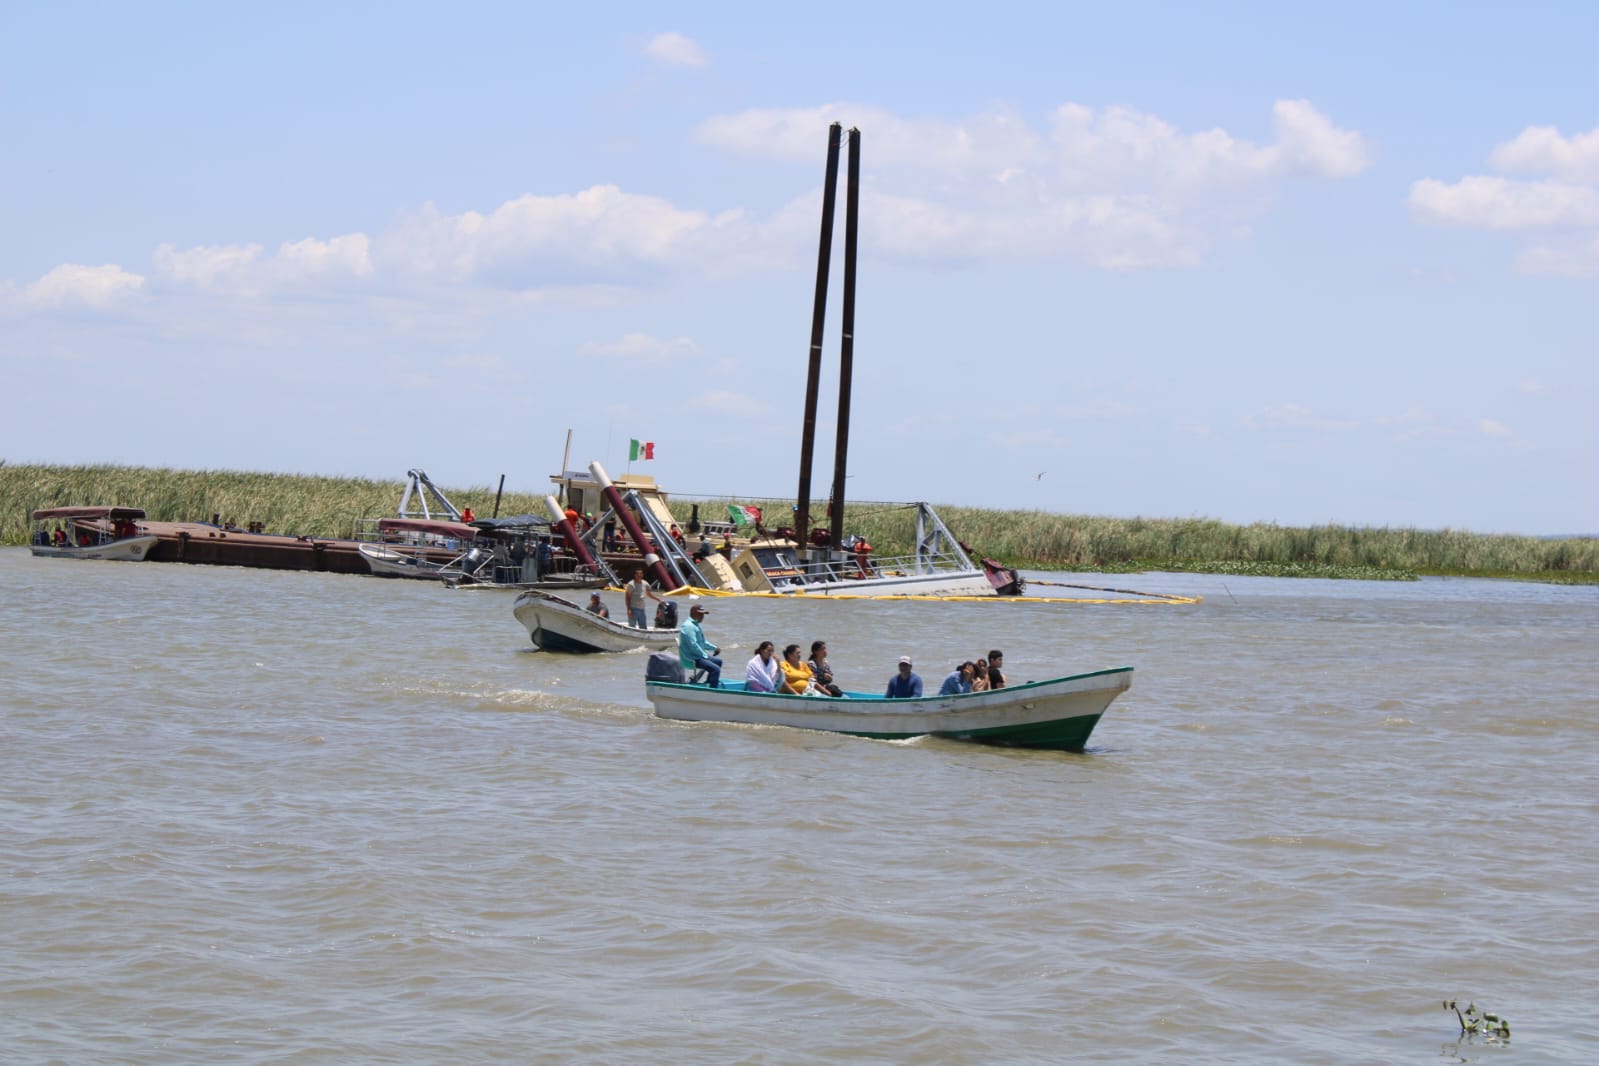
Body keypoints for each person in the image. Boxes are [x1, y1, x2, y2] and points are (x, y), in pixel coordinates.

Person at [678, 603, 722, 687]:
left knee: (718, 662)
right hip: (692, 658)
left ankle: (709, 684)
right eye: (700, 614)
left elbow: (702, 642)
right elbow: (693, 645)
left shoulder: (695, 624)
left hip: (698, 656)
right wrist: (705, 656)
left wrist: (714, 648)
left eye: (703, 614)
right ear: (693, 613)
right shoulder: (688, 626)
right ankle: (712, 692)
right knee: (715, 669)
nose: (702, 616)